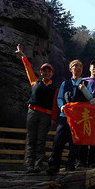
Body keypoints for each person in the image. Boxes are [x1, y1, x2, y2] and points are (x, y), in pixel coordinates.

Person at [16, 44, 59, 173]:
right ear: (41, 72)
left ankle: (38, 166)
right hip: (32, 112)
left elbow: (55, 105)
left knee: (41, 141)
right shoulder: (35, 82)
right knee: (31, 139)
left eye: (49, 71)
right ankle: (29, 165)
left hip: (46, 115)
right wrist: (23, 56)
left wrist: (53, 119)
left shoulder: (55, 88)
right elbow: (28, 69)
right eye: (44, 71)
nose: (46, 73)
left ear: (52, 73)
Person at [47, 60, 95, 175]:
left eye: (80, 66)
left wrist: (84, 89)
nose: (78, 68)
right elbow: (59, 98)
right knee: (58, 142)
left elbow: (91, 100)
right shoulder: (65, 83)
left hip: (78, 119)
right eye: (75, 66)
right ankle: (53, 167)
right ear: (70, 69)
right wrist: (61, 106)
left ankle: (70, 167)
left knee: (75, 145)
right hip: (64, 117)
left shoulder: (85, 84)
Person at [78, 59, 95, 168]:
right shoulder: (83, 81)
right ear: (89, 68)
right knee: (83, 136)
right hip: (85, 113)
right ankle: (81, 162)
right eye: (93, 66)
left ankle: (92, 162)